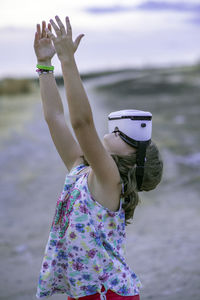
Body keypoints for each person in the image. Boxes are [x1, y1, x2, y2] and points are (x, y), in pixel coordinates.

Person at [34, 16, 163, 300]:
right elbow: (55, 118)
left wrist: (68, 60)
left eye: (123, 136)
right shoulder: (81, 171)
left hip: (107, 294)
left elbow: (82, 124)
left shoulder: (109, 181)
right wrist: (45, 66)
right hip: (86, 293)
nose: (113, 132)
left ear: (131, 160)